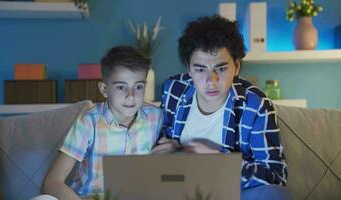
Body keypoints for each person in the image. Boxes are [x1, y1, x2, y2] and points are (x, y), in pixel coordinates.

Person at [152, 15, 292, 199]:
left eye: (221, 68)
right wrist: (167, 149)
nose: (211, 81)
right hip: (182, 187)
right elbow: (162, 143)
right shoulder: (173, 90)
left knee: (276, 195)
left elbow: (276, 176)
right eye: (200, 69)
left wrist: (221, 162)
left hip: (233, 192)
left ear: (236, 66)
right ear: (189, 68)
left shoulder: (256, 104)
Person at [41, 45, 163, 200]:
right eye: (121, 87)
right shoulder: (88, 123)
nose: (131, 96)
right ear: (104, 89)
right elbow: (51, 182)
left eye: (138, 87)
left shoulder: (157, 118)